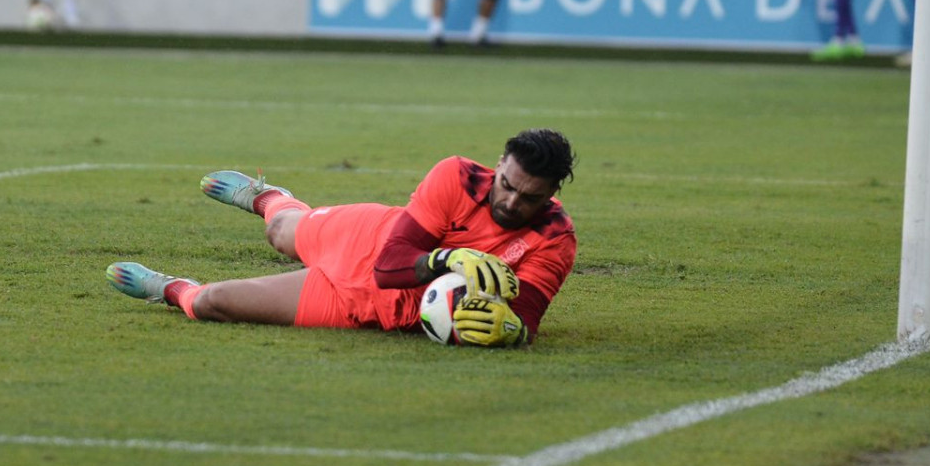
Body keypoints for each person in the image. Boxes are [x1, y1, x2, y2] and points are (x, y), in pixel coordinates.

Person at [106, 129, 579, 348]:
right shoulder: (454, 177)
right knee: (281, 233)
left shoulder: (555, 239)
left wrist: (514, 333)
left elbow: (527, 317)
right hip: (367, 244)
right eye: (508, 186)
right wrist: (448, 259)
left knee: (212, 304)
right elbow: (390, 264)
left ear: (553, 194)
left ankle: (172, 289)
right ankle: (271, 199)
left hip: (376, 312)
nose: (512, 203)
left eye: (529, 198)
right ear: (498, 166)